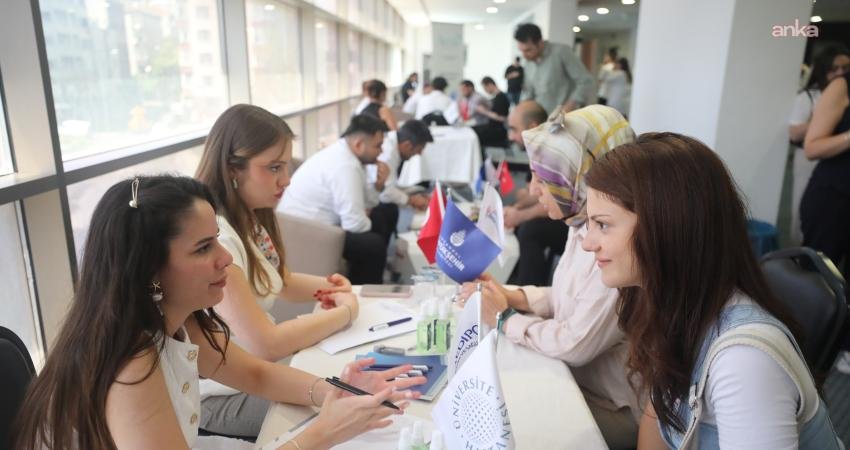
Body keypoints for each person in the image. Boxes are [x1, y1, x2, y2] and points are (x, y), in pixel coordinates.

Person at [12, 176, 425, 450]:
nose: (226, 257)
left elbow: (255, 373)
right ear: (148, 267)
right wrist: (322, 434)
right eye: (203, 247)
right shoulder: (130, 362)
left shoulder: (177, 319)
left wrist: (331, 390)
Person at [582, 132, 844, 449]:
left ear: (667, 226)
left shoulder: (743, 362)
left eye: (603, 225)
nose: (587, 242)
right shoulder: (674, 307)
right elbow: (661, 414)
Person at [459, 105, 641, 449]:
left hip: (608, 405)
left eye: (543, 179)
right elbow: (565, 297)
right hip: (573, 381)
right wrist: (513, 296)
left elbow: (573, 345)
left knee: (498, 417)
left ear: (578, 179)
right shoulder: (580, 225)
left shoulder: (615, 250)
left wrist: (503, 317)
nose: (534, 189)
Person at [194, 104, 370, 436]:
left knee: (347, 382)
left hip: (257, 372)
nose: (286, 180)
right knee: (346, 414)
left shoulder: (250, 216)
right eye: (274, 168)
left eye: (286, 166)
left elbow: (278, 280)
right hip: (222, 394)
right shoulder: (220, 241)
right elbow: (267, 344)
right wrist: (344, 313)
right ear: (233, 169)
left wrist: (331, 288)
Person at [281, 115, 397, 284]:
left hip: (317, 223)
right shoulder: (345, 166)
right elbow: (355, 224)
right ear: (359, 144)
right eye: (378, 146)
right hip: (304, 230)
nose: (381, 152)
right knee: (373, 245)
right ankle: (362, 292)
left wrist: (379, 186)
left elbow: (366, 204)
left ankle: (372, 279)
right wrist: (365, 215)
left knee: (384, 212)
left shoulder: (348, 155)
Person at [788, 46, 850, 244]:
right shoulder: (810, 96)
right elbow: (796, 134)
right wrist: (822, 121)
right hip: (826, 178)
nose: (840, 72)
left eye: (845, 67)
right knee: (799, 214)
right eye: (835, 68)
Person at [505, 100, 570, 286]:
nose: (511, 136)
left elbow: (557, 202)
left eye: (514, 129)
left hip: (578, 225)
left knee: (531, 229)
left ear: (532, 127)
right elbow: (536, 194)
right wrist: (515, 209)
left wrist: (521, 215)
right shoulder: (540, 148)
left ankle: (528, 291)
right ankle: (516, 276)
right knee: (522, 221)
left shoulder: (554, 152)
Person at [514, 23, 593, 115]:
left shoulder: (561, 52)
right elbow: (528, 92)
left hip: (564, 118)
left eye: (528, 50)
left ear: (540, 43)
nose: (524, 55)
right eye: (521, 50)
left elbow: (585, 81)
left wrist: (569, 106)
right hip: (540, 118)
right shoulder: (528, 62)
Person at [377, 119, 434, 210]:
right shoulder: (388, 154)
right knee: (390, 209)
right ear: (407, 145)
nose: (419, 154)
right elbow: (385, 194)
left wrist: (412, 194)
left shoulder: (393, 142)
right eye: (419, 150)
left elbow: (390, 185)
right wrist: (410, 200)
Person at [472, 76, 510, 150]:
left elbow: (502, 118)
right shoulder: (495, 98)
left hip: (498, 130)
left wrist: (484, 111)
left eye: (485, 88)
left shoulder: (501, 98)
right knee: (472, 129)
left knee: (475, 133)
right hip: (493, 127)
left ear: (490, 85)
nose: (485, 91)